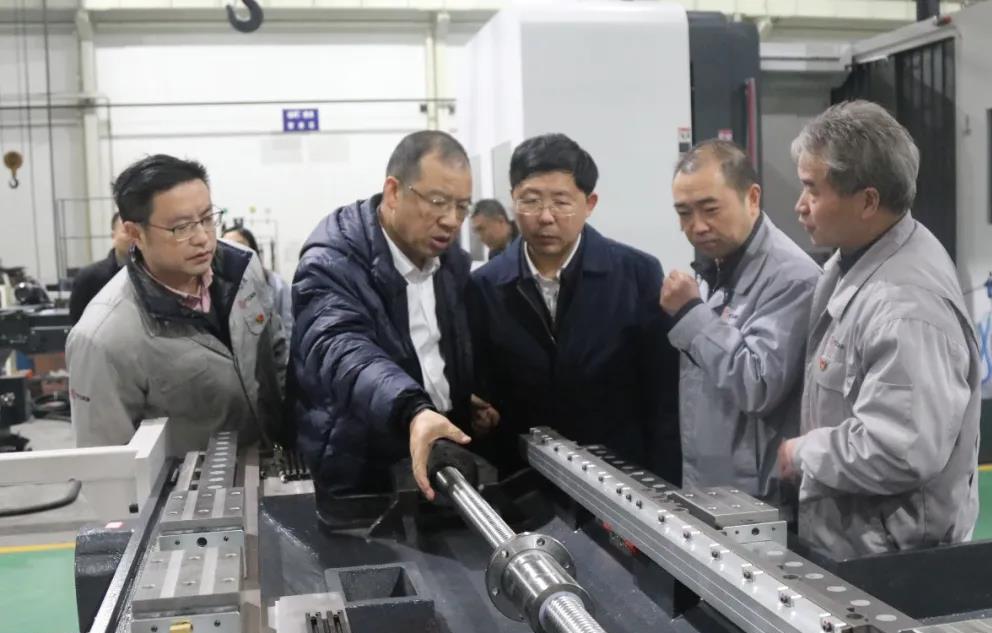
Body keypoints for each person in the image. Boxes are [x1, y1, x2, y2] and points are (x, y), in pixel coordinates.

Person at [777, 100, 980, 560]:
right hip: (853, 543)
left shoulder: (906, 308)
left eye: (812, 190)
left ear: (868, 201)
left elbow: (901, 449)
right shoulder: (853, 260)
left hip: (891, 562)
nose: (800, 206)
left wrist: (801, 454)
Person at [290, 131, 487, 526]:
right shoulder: (331, 262)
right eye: (438, 201)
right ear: (394, 192)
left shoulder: (450, 263)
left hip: (436, 462)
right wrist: (412, 409)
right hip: (359, 472)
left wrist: (459, 397)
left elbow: (435, 349)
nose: (451, 220)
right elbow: (341, 348)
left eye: (462, 206)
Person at [467, 133, 681, 483]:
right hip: (523, 483)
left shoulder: (636, 275)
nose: (545, 217)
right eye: (530, 201)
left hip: (620, 483)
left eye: (561, 202)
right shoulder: (485, 286)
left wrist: (664, 487)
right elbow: (482, 398)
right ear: (512, 200)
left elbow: (662, 397)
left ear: (589, 203)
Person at [66, 154, 286, 453]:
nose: (202, 238)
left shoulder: (242, 267)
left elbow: (276, 355)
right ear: (134, 233)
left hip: (271, 463)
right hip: (193, 482)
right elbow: (104, 463)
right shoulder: (103, 338)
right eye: (181, 228)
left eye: (207, 219)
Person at [663, 139, 819, 504]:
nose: (697, 226)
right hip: (709, 484)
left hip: (758, 499)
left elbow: (758, 385)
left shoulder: (792, 278)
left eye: (710, 209)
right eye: (684, 213)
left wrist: (690, 313)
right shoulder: (715, 265)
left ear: (752, 198)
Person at [222, 225, 293, 350]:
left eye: (238, 245)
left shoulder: (276, 284)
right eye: (226, 246)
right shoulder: (218, 288)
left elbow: (288, 328)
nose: (233, 251)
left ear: (253, 250)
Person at [68, 212, 133, 324]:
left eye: (138, 232)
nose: (133, 237)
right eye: (127, 231)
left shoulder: (155, 274)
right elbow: (77, 322)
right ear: (113, 235)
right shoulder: (89, 278)